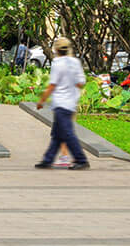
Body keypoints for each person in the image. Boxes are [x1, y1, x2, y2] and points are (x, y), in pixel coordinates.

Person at [34, 37, 89, 171]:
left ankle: (81, 160)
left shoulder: (57, 63)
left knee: (68, 134)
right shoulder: (75, 62)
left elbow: (52, 85)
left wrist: (41, 101)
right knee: (57, 134)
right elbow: (81, 82)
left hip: (61, 103)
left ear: (56, 49)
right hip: (71, 103)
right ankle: (48, 160)